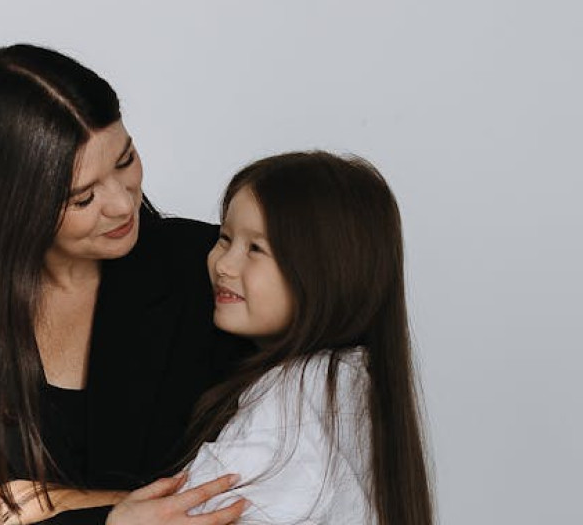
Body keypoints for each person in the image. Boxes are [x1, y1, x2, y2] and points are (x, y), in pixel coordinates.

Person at [0, 44, 252, 525]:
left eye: (125, 161)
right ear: (9, 205)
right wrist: (115, 517)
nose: (123, 205)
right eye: (83, 197)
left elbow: (270, 481)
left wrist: (49, 501)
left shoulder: (209, 268)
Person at [108, 151, 434, 525]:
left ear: (324, 271)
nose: (223, 264)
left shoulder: (296, 398)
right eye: (225, 238)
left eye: (255, 249)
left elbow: (189, 514)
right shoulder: (353, 382)